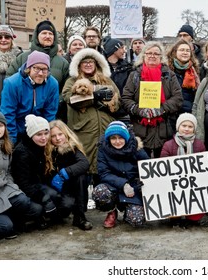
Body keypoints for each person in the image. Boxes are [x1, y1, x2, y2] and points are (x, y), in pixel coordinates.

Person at [62, 48, 120, 186]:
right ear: (79, 65)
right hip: (83, 129)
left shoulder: (106, 80)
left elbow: (118, 100)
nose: (88, 64)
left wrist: (108, 104)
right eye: (84, 62)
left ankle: (104, 194)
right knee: (85, 161)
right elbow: (68, 98)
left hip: (105, 127)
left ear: (97, 64)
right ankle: (86, 196)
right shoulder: (72, 81)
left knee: (105, 161)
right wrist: (93, 97)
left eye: (91, 62)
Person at [121, 41, 183, 158]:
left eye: (156, 54)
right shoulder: (134, 75)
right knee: (142, 164)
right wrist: (139, 110)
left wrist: (161, 109)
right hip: (140, 129)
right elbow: (126, 98)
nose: (152, 56)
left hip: (164, 128)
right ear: (143, 56)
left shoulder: (169, 75)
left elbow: (178, 98)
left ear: (161, 57)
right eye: (149, 53)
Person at [0, 109, 43, 240]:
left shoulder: (6, 147)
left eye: (1, 125)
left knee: (31, 206)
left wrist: (13, 189)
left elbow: (7, 173)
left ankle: (7, 216)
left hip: (4, 190)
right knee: (5, 227)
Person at [94, 121, 149, 228]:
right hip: (113, 186)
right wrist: (123, 184)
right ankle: (112, 211)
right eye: (113, 138)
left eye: (121, 137)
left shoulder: (137, 149)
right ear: (108, 139)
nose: (117, 141)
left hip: (133, 189)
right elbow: (103, 173)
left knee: (137, 220)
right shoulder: (103, 149)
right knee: (99, 192)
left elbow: (147, 169)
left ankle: (128, 212)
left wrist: (137, 186)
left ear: (126, 137)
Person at [0, 50, 59, 144]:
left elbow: (50, 112)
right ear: (29, 68)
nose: (40, 73)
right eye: (36, 68)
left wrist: (46, 137)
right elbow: (8, 113)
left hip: (40, 131)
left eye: (44, 69)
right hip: (18, 129)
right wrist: (12, 141)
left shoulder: (52, 84)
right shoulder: (12, 83)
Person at [160, 113, 207, 227]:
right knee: (173, 215)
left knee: (195, 217)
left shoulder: (199, 145)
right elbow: (161, 167)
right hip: (173, 185)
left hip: (193, 184)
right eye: (184, 125)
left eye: (190, 127)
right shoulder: (168, 145)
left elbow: (206, 165)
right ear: (178, 127)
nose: (186, 129)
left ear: (194, 129)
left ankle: (191, 216)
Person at [11, 114, 59, 224]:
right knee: (39, 208)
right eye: (39, 134)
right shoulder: (22, 152)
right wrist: (43, 198)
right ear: (31, 135)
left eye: (46, 133)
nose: (43, 138)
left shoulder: (44, 146)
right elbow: (22, 183)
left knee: (57, 197)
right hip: (25, 189)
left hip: (38, 184)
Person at [49, 120, 93, 230]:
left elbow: (84, 163)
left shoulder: (72, 148)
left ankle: (80, 217)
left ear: (66, 134)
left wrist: (64, 174)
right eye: (53, 136)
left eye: (60, 134)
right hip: (56, 189)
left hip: (73, 187)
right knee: (64, 210)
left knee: (82, 176)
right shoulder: (47, 152)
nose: (58, 138)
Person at [6, 20, 69, 91]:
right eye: (44, 33)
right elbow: (9, 80)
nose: (48, 36)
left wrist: (56, 100)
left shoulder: (63, 63)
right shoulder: (22, 58)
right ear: (37, 36)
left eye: (50, 34)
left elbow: (66, 89)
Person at [0, 25, 22, 109]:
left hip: (17, 108)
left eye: (7, 37)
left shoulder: (21, 58)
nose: (3, 40)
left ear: (12, 39)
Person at [102, 36, 133, 122]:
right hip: (105, 114)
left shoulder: (128, 68)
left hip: (124, 113)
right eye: (121, 48)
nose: (124, 51)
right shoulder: (100, 68)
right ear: (114, 49)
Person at [167, 39, 200, 114]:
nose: (185, 53)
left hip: (188, 113)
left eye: (188, 51)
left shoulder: (194, 71)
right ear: (174, 52)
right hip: (171, 113)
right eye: (182, 50)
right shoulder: (166, 70)